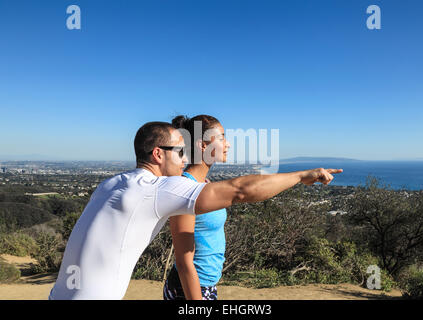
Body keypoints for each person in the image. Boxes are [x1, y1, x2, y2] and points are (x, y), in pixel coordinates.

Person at [49, 121, 342, 300]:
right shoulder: (156, 189)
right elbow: (240, 191)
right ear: (158, 154)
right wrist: (302, 176)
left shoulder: (111, 184)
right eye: (180, 151)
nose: (185, 158)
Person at [163, 115, 230, 300]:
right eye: (222, 138)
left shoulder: (205, 184)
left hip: (204, 285)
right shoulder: (186, 189)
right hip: (190, 289)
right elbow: (184, 262)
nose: (228, 144)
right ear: (203, 145)